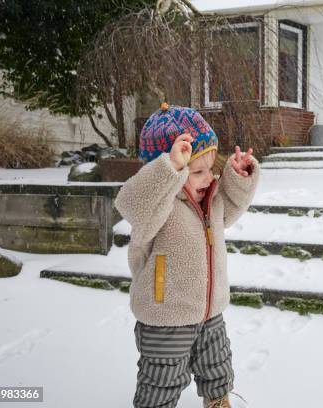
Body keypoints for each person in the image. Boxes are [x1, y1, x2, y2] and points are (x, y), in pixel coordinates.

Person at [114, 103, 259, 408]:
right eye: (197, 171)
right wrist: (169, 169)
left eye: (212, 168)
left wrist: (238, 178)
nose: (209, 178)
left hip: (209, 310)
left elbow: (229, 211)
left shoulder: (210, 199)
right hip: (167, 316)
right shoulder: (157, 207)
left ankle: (218, 401)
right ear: (173, 170)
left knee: (217, 364)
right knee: (162, 377)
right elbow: (130, 201)